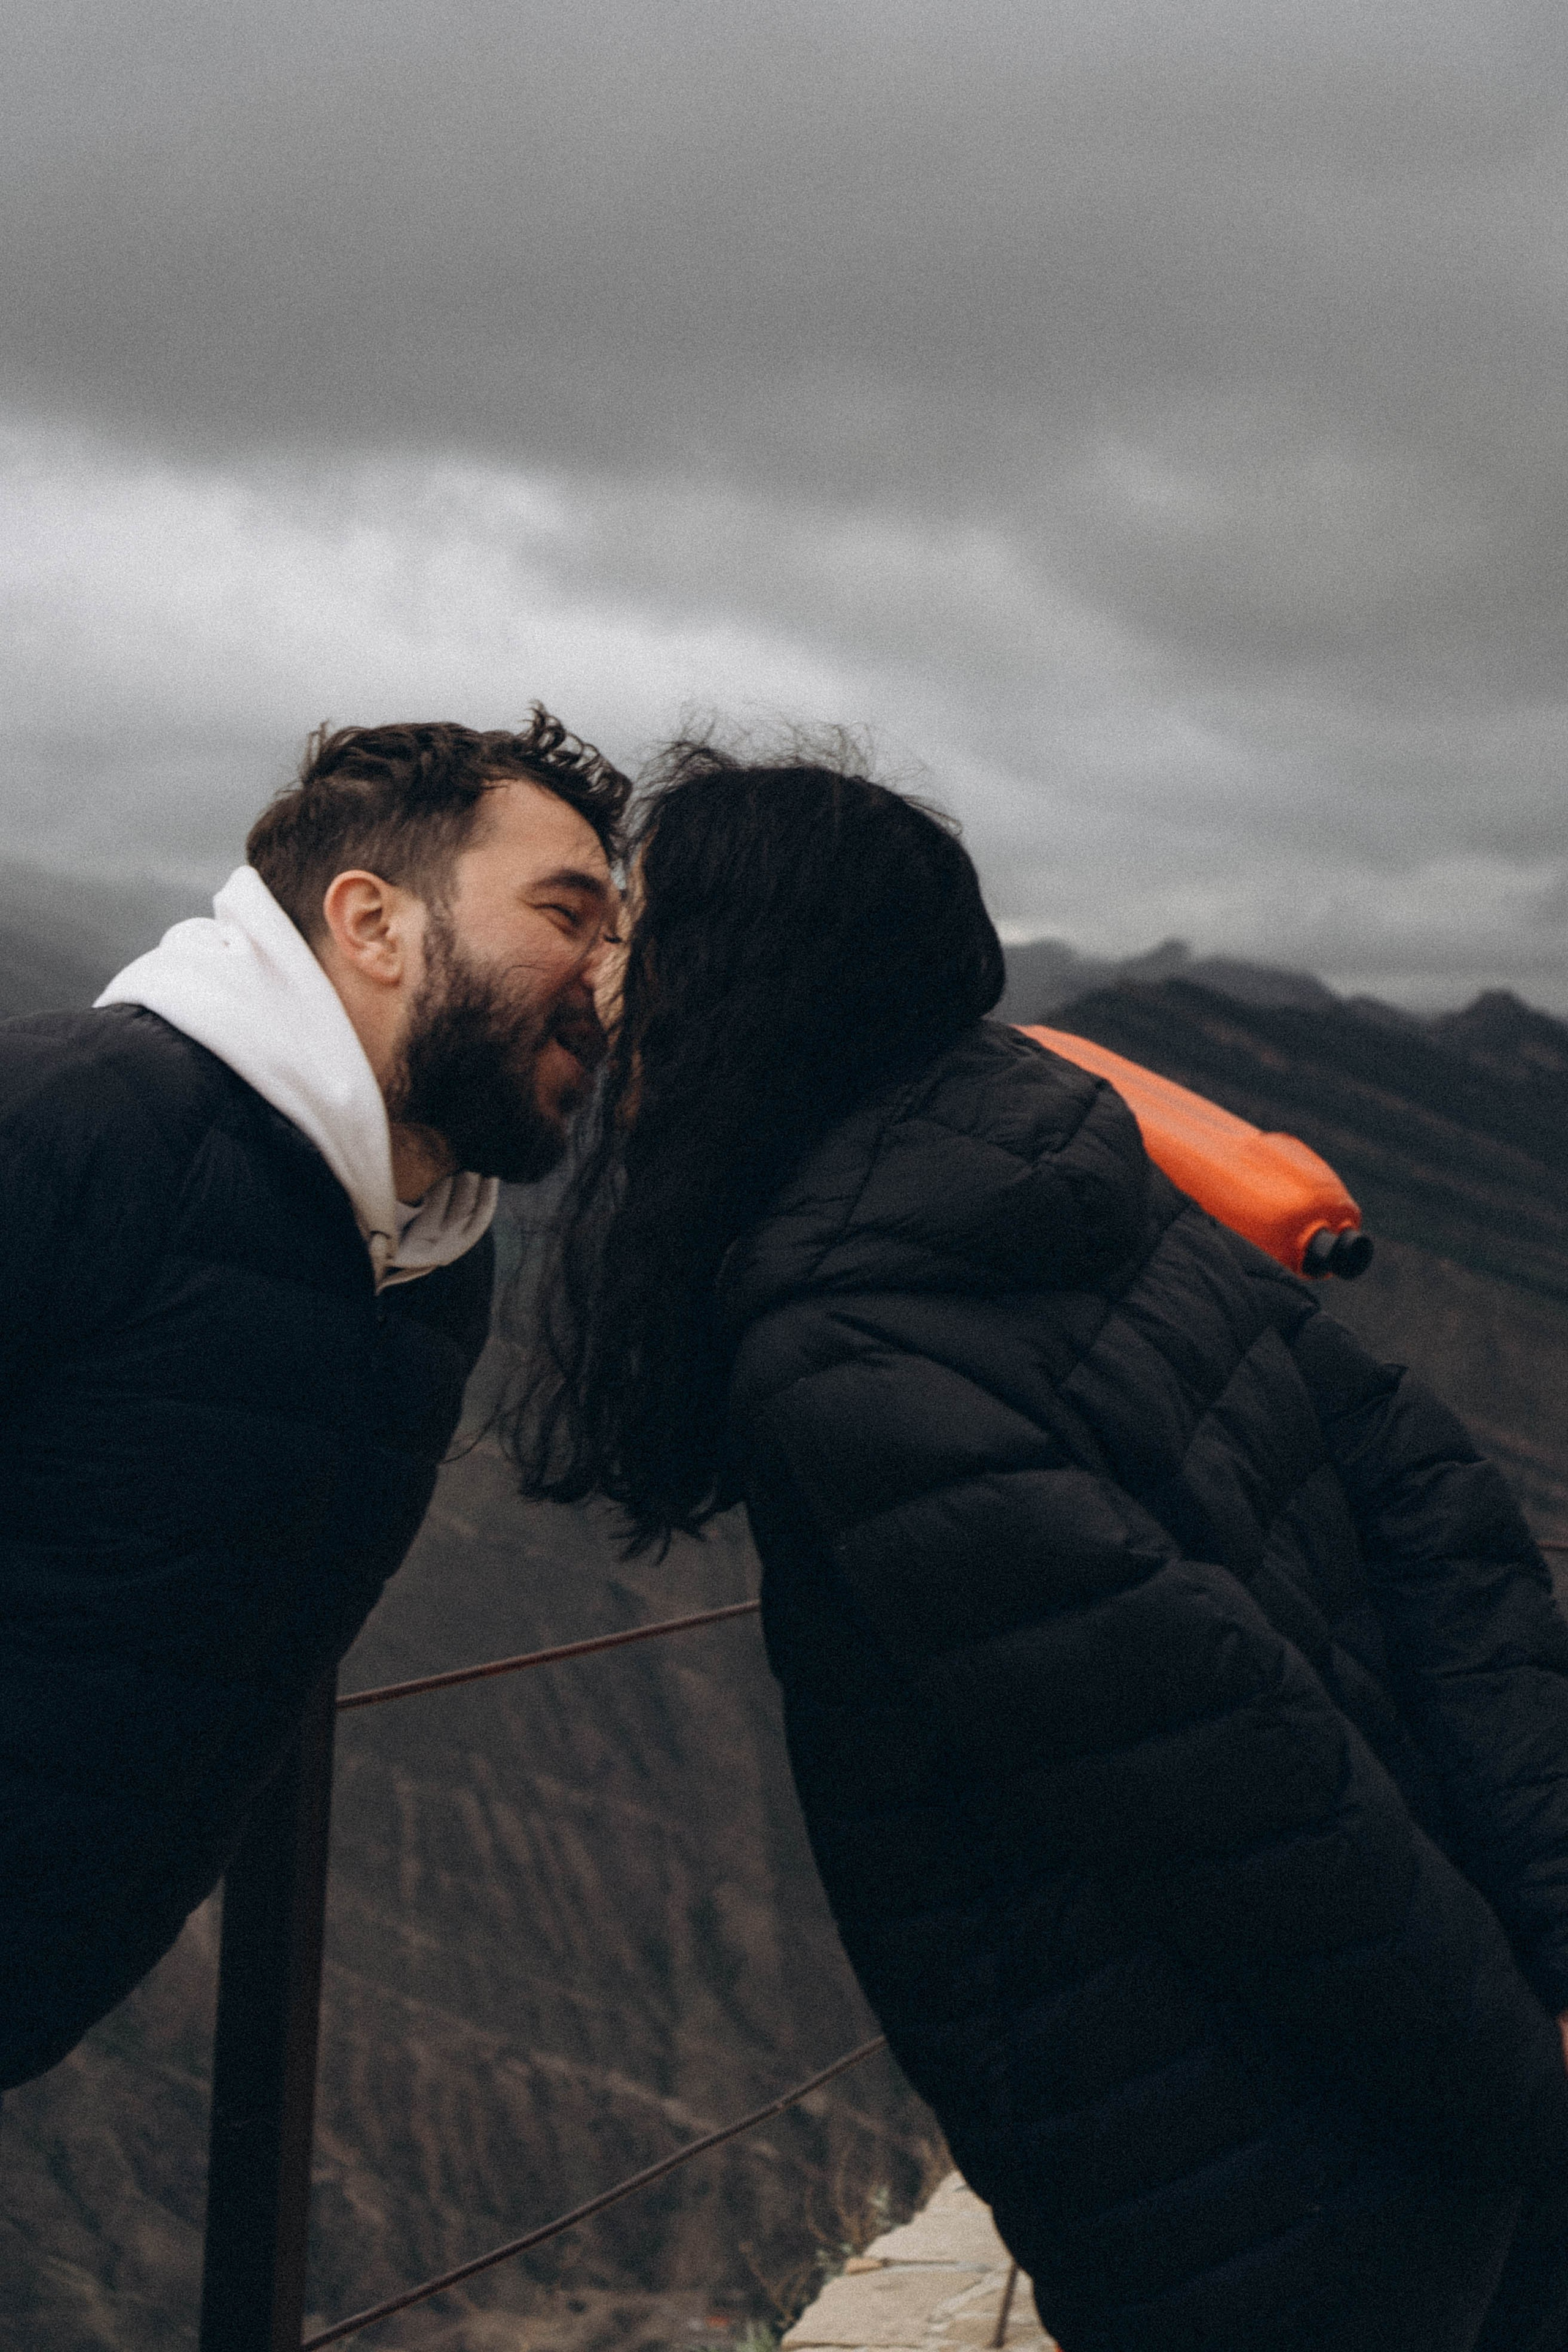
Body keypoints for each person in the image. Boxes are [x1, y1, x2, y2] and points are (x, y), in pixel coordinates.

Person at [514, 739, 1568, 2352]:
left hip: (1244, 2178)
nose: (603, 982)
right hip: (1381, 2106)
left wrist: (1512, 2082)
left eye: (641, 935)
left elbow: (1239, 1777)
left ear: (743, 979)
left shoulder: (850, 1355)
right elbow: (1429, 1492)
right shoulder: (1070, 1167)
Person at [0, 708, 629, 2092]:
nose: (611, 979)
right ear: (371, 922)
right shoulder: (75, 1126)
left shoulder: (427, 1257)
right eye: (567, 915)